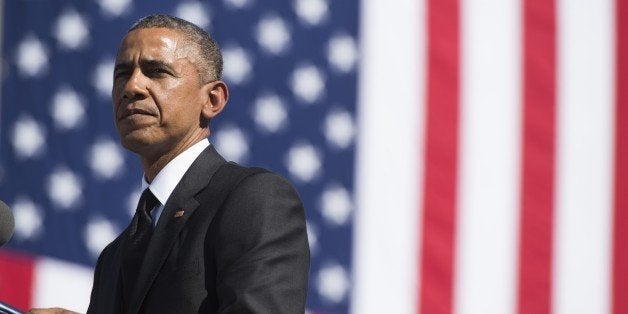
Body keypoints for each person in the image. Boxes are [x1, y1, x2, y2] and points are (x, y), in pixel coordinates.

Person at [29, 14, 310, 314]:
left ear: (213, 99)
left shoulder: (253, 199)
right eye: (122, 74)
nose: (132, 87)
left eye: (157, 71)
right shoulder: (113, 258)